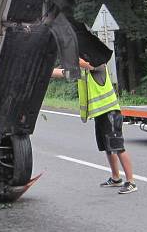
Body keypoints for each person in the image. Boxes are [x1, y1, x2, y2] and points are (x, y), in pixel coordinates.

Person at [53, 58, 137, 194]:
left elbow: (85, 64)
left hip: (110, 111)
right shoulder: (83, 71)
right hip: (100, 113)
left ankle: (131, 181)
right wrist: (45, 71)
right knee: (107, 147)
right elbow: (63, 73)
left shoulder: (98, 64)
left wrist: (70, 54)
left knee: (118, 147)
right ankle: (116, 178)